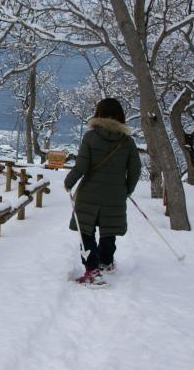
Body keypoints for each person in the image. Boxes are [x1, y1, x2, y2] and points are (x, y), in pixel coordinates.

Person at [64, 97, 142, 286]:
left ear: (98, 113)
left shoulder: (91, 137)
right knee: (109, 229)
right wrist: (126, 190)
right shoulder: (127, 142)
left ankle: (92, 270)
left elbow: (82, 166)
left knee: (86, 231)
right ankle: (106, 261)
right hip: (115, 195)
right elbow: (135, 169)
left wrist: (69, 182)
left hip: (89, 192)